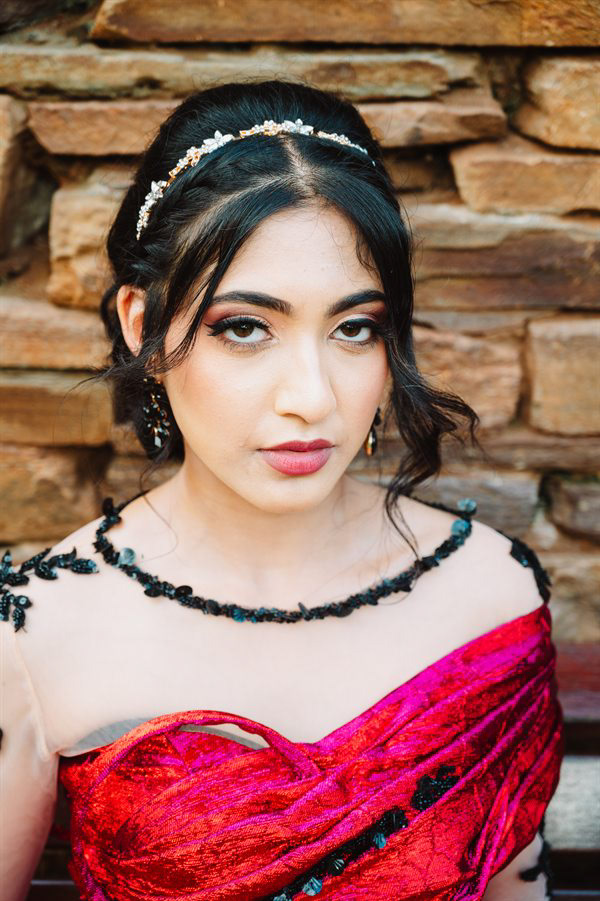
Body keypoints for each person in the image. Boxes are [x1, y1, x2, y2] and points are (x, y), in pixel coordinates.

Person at [0, 80, 563, 901]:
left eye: (354, 328)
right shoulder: (39, 632)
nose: (312, 395)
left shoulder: (489, 594)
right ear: (141, 323)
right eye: (245, 327)